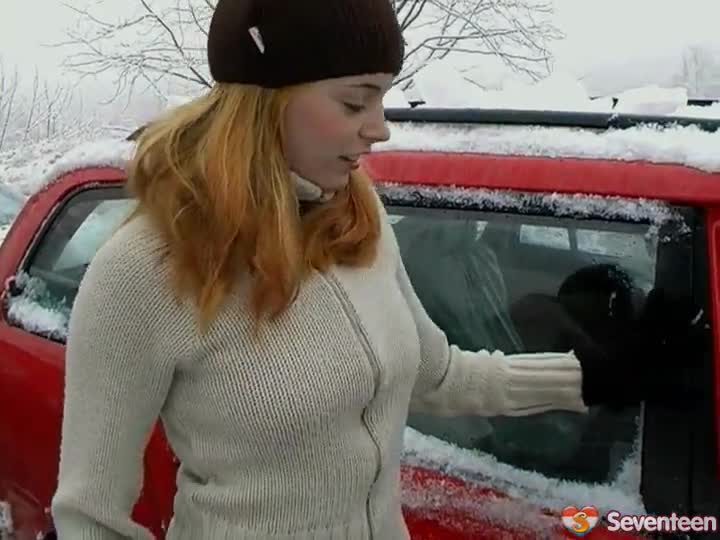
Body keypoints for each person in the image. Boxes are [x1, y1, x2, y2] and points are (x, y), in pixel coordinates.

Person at [50, 0, 685, 538]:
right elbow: (88, 516)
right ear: (262, 105)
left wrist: (595, 375)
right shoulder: (145, 270)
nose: (380, 129)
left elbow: (437, 375)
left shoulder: (358, 216)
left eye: (381, 98)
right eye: (356, 102)